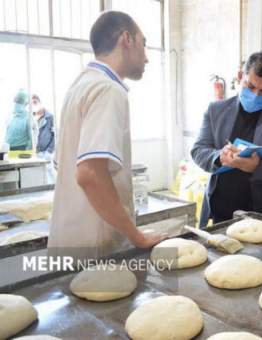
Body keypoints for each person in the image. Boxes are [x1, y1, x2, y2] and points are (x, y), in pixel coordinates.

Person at [49, 11, 164, 258]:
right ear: (127, 39)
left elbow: (64, 166)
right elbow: (90, 174)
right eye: (144, 44)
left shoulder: (80, 86)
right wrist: (137, 236)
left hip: (70, 241)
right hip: (95, 247)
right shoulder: (108, 90)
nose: (147, 58)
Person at [191, 52, 262, 227]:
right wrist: (219, 156)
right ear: (240, 77)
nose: (256, 95)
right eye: (250, 86)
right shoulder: (216, 110)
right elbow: (198, 149)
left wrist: (257, 167)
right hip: (221, 210)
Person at [31, 94, 55, 183]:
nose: (34, 105)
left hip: (46, 152)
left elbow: (55, 135)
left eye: (35, 102)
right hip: (36, 152)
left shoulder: (50, 117)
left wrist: (49, 151)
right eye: (31, 103)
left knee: (50, 175)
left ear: (40, 102)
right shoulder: (31, 118)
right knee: (39, 178)